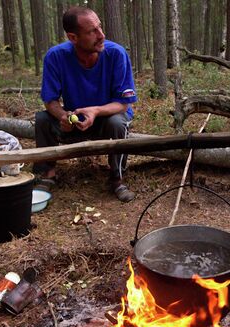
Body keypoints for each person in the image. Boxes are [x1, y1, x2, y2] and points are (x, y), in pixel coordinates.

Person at [33, 6, 137, 202]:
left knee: (117, 123)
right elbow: (50, 100)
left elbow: (123, 104)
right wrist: (63, 116)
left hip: (107, 118)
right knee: (43, 120)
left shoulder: (116, 54)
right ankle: (48, 175)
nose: (101, 35)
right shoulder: (56, 57)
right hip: (75, 120)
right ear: (73, 38)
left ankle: (117, 178)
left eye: (100, 27)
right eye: (92, 31)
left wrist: (96, 111)